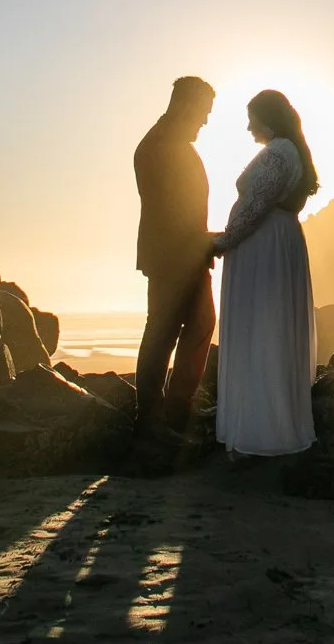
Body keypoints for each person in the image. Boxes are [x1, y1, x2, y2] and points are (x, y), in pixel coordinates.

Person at [211, 89, 320, 458]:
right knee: (271, 327)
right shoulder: (292, 151)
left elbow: (255, 204)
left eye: (251, 118)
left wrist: (223, 241)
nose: (247, 127)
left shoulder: (277, 153)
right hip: (278, 240)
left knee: (258, 327)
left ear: (267, 117)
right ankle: (271, 421)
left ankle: (262, 430)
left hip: (263, 245)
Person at [130, 76, 217, 457]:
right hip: (173, 256)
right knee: (163, 332)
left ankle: (175, 410)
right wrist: (204, 241)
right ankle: (150, 420)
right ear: (185, 105)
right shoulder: (160, 146)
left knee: (199, 323)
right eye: (203, 112)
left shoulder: (171, 142)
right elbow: (168, 210)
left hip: (187, 253)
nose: (205, 121)